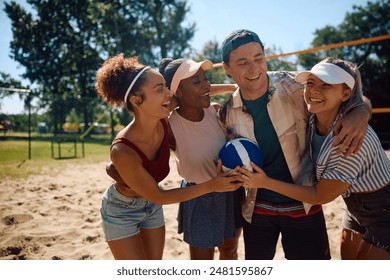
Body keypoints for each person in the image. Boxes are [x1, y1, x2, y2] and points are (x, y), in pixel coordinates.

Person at [218, 29, 372, 260]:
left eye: (259, 58)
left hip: (305, 205)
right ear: (227, 69)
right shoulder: (227, 112)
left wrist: (360, 111)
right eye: (242, 62)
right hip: (257, 208)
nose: (254, 68)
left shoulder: (294, 85)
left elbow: (349, 97)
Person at [239, 57, 390, 260]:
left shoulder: (349, 139)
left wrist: (265, 182)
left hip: (384, 210)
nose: (314, 90)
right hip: (353, 205)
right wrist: (362, 109)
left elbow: (320, 196)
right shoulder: (314, 111)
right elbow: (257, 83)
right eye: (310, 83)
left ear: (346, 93)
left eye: (326, 84)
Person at [95, 54, 243, 260]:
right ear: (137, 101)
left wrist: (233, 87)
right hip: (123, 209)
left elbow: (192, 93)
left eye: (167, 88)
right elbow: (158, 195)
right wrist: (212, 185)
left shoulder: (162, 117)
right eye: (160, 89)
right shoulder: (129, 146)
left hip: (152, 208)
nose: (168, 94)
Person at [159, 58, 241, 260]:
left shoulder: (214, 110)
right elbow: (166, 103)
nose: (207, 85)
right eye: (197, 82)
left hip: (231, 191)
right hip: (198, 195)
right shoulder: (168, 125)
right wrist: (176, 97)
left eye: (206, 79)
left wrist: (233, 86)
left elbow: (201, 92)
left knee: (229, 251)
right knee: (201, 261)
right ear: (177, 92)